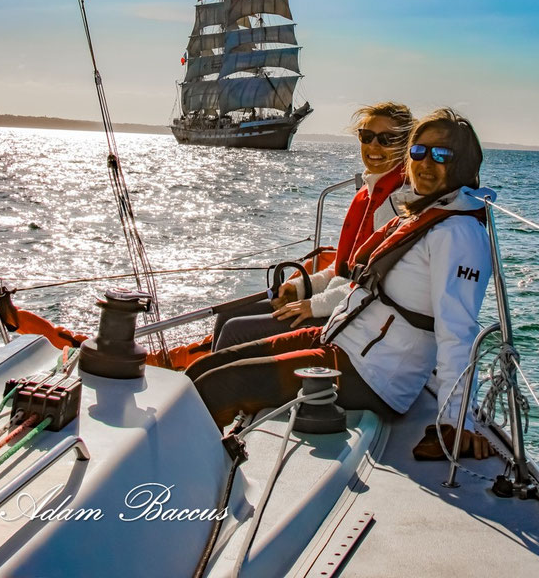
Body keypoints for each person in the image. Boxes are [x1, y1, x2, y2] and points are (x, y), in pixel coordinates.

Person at [186, 109, 494, 459]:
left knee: (216, 387)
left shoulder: (459, 234)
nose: (426, 162)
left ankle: (193, 482)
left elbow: (459, 332)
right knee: (201, 370)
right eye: (418, 152)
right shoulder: (423, 215)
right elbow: (359, 282)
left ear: (463, 164)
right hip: (338, 341)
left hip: (371, 375)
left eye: (441, 155)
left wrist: (457, 421)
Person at [213, 101, 413, 350]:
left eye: (386, 139)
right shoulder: (370, 191)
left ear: (406, 145)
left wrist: (313, 305)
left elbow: (373, 289)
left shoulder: (400, 205)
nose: (373, 146)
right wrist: (299, 288)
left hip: (354, 319)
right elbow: (344, 270)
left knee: (236, 331)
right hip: (338, 303)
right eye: (367, 136)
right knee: (227, 316)